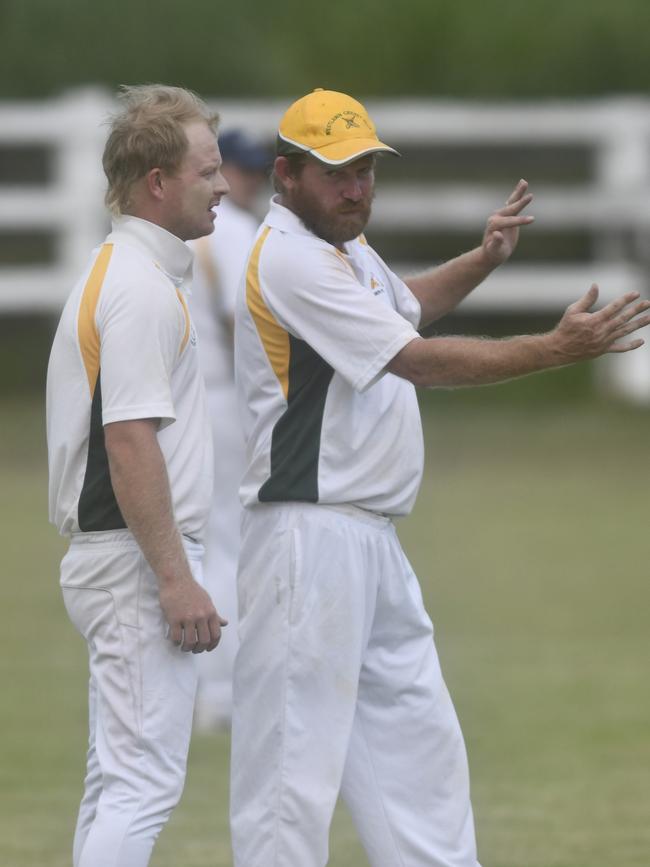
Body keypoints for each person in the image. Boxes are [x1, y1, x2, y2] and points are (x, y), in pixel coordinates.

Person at [229, 88, 650, 867]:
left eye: (364, 170)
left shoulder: (344, 248)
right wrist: (555, 349)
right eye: (335, 173)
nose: (356, 188)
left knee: (419, 754)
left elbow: (405, 309)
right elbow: (412, 358)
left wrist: (482, 259)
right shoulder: (288, 256)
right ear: (285, 176)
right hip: (304, 538)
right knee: (289, 784)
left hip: (369, 537)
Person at [46, 84, 229, 867]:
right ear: (158, 182)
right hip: (131, 558)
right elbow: (129, 441)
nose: (223, 185)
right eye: (208, 170)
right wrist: (175, 577)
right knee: (141, 786)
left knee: (115, 783)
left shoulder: (122, 270)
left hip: (116, 555)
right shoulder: (140, 289)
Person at [189, 129, 270, 731]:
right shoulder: (240, 234)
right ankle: (224, 691)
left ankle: (208, 688)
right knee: (231, 543)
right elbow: (245, 325)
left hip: (179, 401)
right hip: (226, 396)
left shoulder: (173, 233)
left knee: (204, 540)